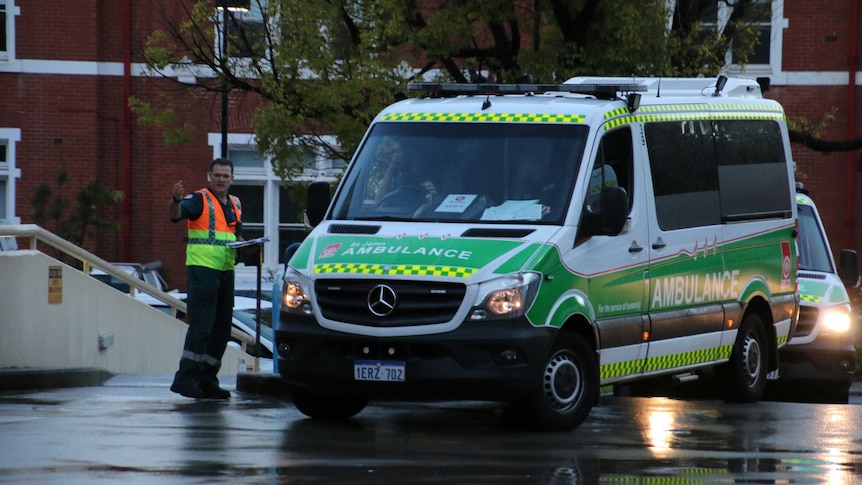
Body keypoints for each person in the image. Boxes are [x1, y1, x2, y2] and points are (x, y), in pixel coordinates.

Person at [168, 158, 242, 400]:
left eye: (225, 175)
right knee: (201, 327)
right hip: (202, 271)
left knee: (221, 330)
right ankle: (186, 379)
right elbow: (176, 215)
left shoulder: (235, 203)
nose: (221, 179)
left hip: (226, 271)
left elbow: (233, 236)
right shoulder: (199, 199)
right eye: (217, 175)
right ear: (209, 176)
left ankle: (208, 379)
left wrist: (246, 249)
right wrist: (176, 200)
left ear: (232, 178)